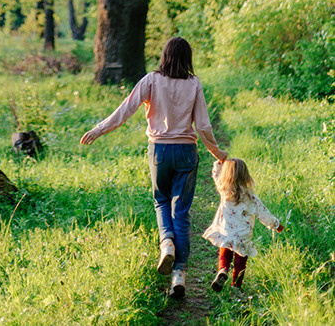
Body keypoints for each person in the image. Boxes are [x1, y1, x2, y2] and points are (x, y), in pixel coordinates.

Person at [80, 36, 227, 299]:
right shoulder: (194, 84)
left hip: (159, 150)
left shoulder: (151, 80)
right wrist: (218, 153)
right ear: (188, 58)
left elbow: (126, 109)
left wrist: (99, 129)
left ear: (165, 56)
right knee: (180, 211)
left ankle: (166, 243)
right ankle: (179, 274)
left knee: (161, 202)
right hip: (186, 151)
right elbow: (203, 126)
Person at [203, 157, 283, 291]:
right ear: (246, 175)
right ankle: (236, 287)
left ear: (226, 175)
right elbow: (264, 214)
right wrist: (276, 225)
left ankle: (222, 270)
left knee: (224, 256)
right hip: (243, 237)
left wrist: (219, 161)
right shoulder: (251, 197)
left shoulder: (225, 192)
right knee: (240, 263)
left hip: (226, 232)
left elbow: (216, 175)